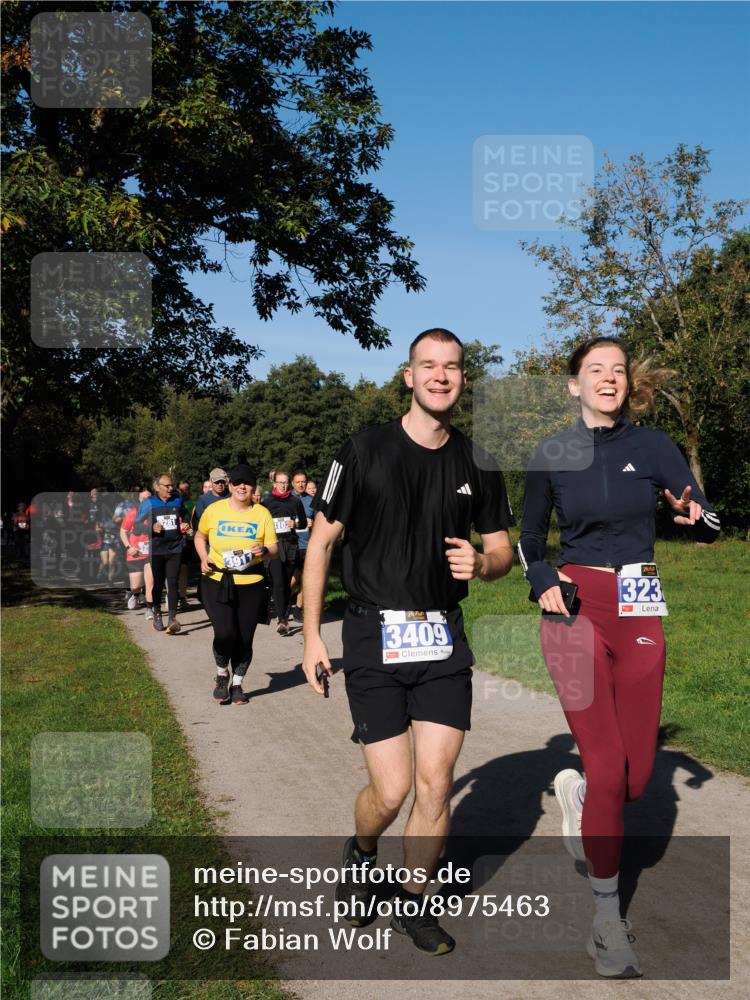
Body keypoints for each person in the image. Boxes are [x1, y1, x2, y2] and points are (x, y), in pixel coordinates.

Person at [302, 328, 514, 956]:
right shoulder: (363, 451)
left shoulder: (479, 460)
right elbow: (320, 544)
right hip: (372, 632)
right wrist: (314, 635)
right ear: (408, 375)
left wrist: (483, 565)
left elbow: (502, 550)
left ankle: (414, 903)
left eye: (452, 367)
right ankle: (363, 851)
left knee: (436, 785)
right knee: (391, 792)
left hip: (443, 635)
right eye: (429, 365)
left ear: (464, 379)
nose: (440, 376)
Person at [519, 336, 721, 979]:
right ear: (573, 385)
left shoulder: (653, 447)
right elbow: (528, 540)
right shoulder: (551, 452)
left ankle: (577, 793)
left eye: (618, 371)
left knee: (632, 781)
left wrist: (697, 513)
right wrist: (544, 579)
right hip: (574, 607)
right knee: (609, 767)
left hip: (639, 599)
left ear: (628, 385)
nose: (608, 378)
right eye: (594, 370)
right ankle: (607, 923)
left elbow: (701, 509)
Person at [194, 464, 278, 704]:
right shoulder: (214, 510)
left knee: (244, 637)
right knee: (224, 632)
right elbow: (200, 536)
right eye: (237, 482)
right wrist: (203, 557)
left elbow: (274, 549)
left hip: (251, 582)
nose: (242, 487)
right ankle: (222, 673)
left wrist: (262, 550)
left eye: (247, 483)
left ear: (253, 487)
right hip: (217, 579)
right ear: (230, 486)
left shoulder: (261, 513)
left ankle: (238, 683)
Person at [135, 474, 189, 634]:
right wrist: (151, 528)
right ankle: (157, 613)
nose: (170, 488)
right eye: (167, 486)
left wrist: (185, 523)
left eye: (171, 485)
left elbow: (184, 515)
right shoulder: (148, 503)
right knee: (157, 584)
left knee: (172, 583)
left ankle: (172, 618)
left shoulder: (177, 500)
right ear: (157, 487)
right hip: (157, 549)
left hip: (175, 548)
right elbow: (137, 527)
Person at [262, 470, 308, 635]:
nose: (283, 485)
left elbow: (303, 523)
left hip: (290, 546)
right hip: (274, 547)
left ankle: (285, 614)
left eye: (285, 483)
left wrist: (294, 524)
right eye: (280, 482)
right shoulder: (267, 502)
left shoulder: (295, 501)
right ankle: (282, 619)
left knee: (287, 584)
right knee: (278, 582)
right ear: (274, 483)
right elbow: (260, 524)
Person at [120, 489, 153, 611]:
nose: (146, 501)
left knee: (151, 581)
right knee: (135, 585)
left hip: (151, 552)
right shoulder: (133, 513)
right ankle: (135, 594)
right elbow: (123, 532)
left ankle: (151, 607)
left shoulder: (156, 512)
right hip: (136, 552)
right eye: (143, 498)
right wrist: (129, 547)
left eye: (148, 498)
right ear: (139, 500)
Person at [289, 469, 315, 622]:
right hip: (290, 544)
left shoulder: (312, 500)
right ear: (292, 482)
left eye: (303, 482)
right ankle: (283, 602)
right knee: (292, 580)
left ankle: (298, 609)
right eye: (297, 482)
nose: (300, 484)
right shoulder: (286, 499)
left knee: (307, 580)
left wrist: (313, 523)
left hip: (307, 545)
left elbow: (321, 521)